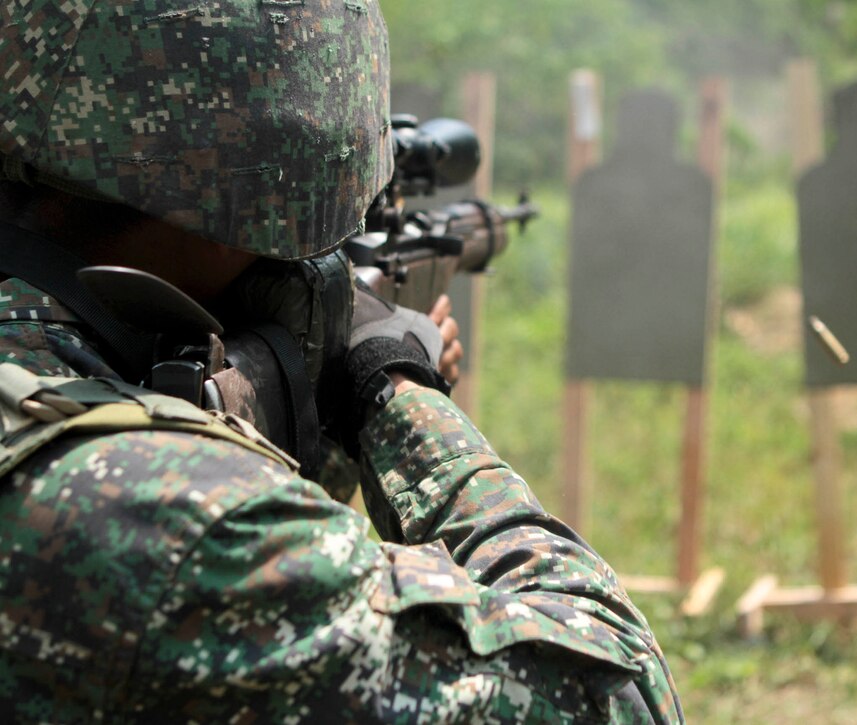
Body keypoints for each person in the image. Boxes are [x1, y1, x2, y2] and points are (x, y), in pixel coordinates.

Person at [0, 1, 683, 722]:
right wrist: (390, 383)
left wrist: (299, 385)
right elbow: (617, 690)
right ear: (262, 192)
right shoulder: (181, 526)